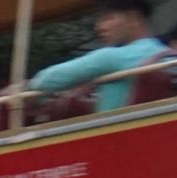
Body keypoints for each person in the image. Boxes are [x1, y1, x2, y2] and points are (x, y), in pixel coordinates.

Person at [30, 0, 165, 112]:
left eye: (107, 18)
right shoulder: (172, 57)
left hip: (115, 136)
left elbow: (45, 80)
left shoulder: (111, 57)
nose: (100, 27)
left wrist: (25, 87)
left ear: (134, 19)